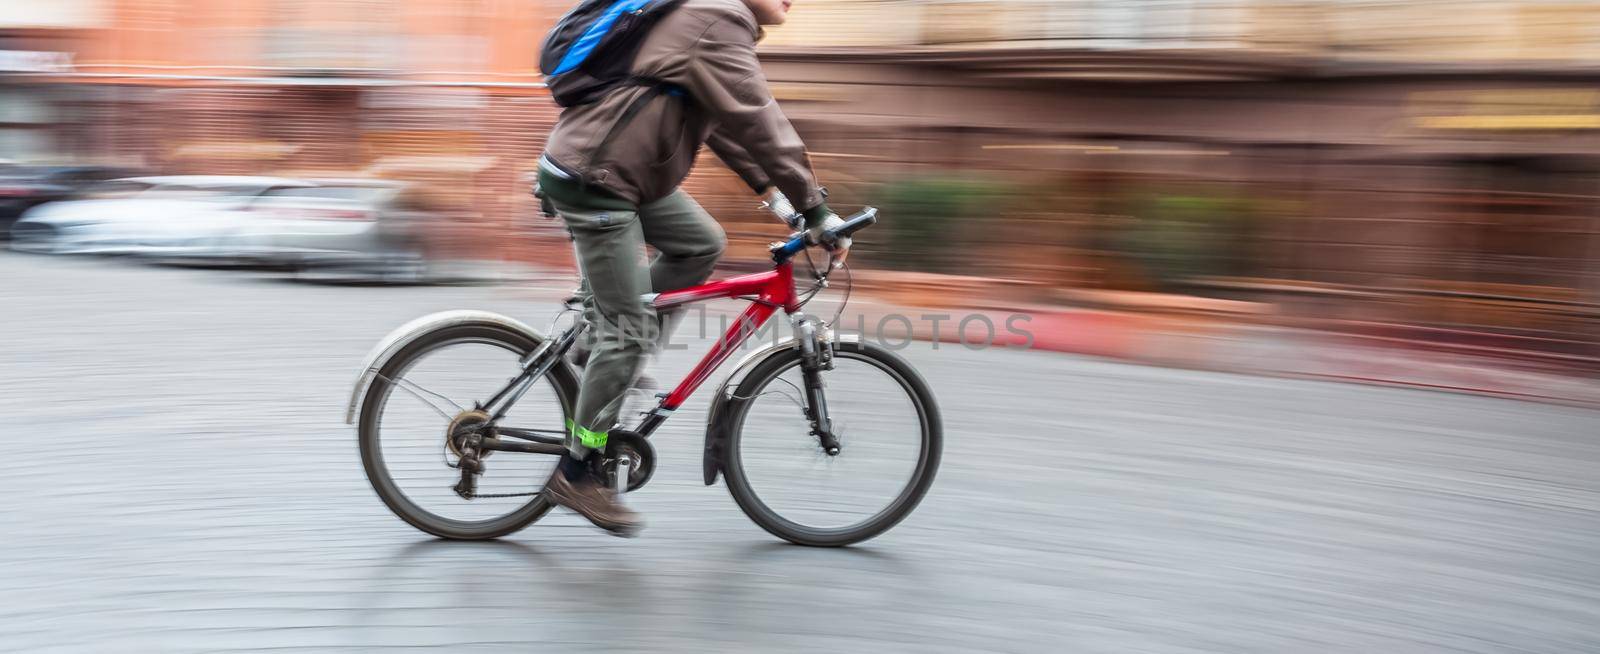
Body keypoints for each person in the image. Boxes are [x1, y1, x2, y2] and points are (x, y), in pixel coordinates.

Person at [537, 0, 845, 537]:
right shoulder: (718, 17)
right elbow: (760, 119)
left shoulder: (712, 20)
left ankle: (606, 342)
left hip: (624, 173)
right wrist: (817, 210)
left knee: (701, 243)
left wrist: (783, 201)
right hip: (598, 179)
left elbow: (729, 121)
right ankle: (578, 470)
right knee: (627, 332)